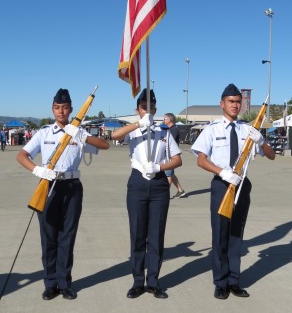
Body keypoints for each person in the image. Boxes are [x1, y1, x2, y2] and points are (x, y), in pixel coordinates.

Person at [16, 88, 110, 301]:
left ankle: (65, 283)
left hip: (72, 187)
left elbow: (105, 145)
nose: (61, 111)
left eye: (65, 108)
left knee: (67, 236)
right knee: (49, 237)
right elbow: (22, 156)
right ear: (52, 109)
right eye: (57, 108)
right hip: (48, 186)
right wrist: (37, 170)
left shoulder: (79, 133)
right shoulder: (43, 133)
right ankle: (50, 284)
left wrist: (81, 134)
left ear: (71, 110)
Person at [191, 83, 275, 300]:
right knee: (220, 235)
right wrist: (222, 172)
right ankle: (220, 282)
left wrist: (262, 140)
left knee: (237, 235)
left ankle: (234, 281)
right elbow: (201, 160)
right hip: (221, 184)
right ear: (222, 104)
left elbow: (271, 155)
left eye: (238, 101)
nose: (235, 105)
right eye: (231, 101)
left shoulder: (248, 130)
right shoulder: (212, 130)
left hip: (242, 185)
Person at [111, 89, 182, 299]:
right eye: (144, 107)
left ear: (156, 109)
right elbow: (113, 136)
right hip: (137, 183)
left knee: (156, 235)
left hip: (159, 183)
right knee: (137, 234)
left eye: (152, 107)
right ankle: (137, 282)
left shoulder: (164, 132)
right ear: (138, 109)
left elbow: (177, 159)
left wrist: (160, 167)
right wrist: (139, 123)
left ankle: (153, 281)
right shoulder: (133, 130)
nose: (148, 111)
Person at [163, 113, 186, 198]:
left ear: (169, 119)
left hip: (171, 156)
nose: (163, 120)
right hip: (168, 155)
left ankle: (164, 194)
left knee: (168, 175)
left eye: (165, 119)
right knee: (171, 174)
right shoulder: (169, 129)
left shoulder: (174, 129)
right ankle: (180, 191)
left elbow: (169, 142)